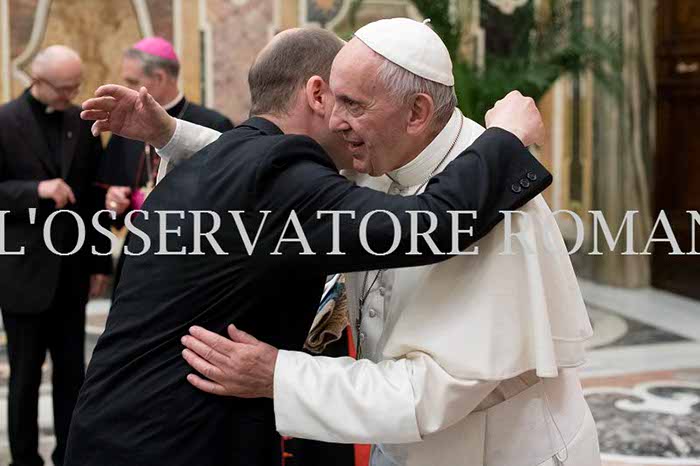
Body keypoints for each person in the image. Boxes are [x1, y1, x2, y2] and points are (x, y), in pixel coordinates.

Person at [67, 27, 549, 466]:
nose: (344, 121)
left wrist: (171, 134)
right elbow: (433, 224)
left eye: (356, 104)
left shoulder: (234, 164)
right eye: (344, 101)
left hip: (111, 432)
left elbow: (255, 177)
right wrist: (504, 140)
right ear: (317, 94)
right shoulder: (280, 171)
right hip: (176, 444)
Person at [172, 19, 601, 466]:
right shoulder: (383, 154)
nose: (334, 121)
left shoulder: (489, 201)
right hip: (403, 443)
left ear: (416, 113)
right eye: (334, 100)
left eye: (352, 104)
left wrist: (277, 376)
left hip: (494, 451)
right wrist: (172, 134)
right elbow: (268, 167)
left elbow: (427, 394)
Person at [0, 45, 112, 466]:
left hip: (71, 272)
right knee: (25, 377)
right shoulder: (4, 121)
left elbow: (95, 200)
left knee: (72, 376)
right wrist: (36, 190)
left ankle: (69, 455)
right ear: (36, 79)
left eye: (75, 87)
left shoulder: (82, 123)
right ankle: (24, 458)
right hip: (22, 273)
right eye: (63, 88)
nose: (70, 95)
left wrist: (100, 262)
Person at [99, 37, 233, 289]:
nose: (125, 88)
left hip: (193, 258)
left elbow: (227, 198)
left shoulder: (213, 124)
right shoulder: (125, 126)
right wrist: (114, 201)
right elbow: (111, 196)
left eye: (132, 82)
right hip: (138, 251)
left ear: (159, 78)